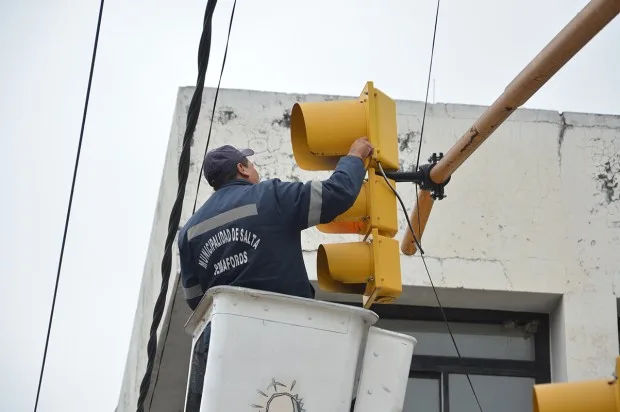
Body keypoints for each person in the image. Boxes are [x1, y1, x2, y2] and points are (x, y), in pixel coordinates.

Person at [177, 137, 373, 410]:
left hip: (227, 350)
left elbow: (195, 300)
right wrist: (354, 156)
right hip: (287, 334)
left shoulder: (189, 232)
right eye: (251, 163)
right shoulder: (270, 196)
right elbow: (336, 193)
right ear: (243, 169)